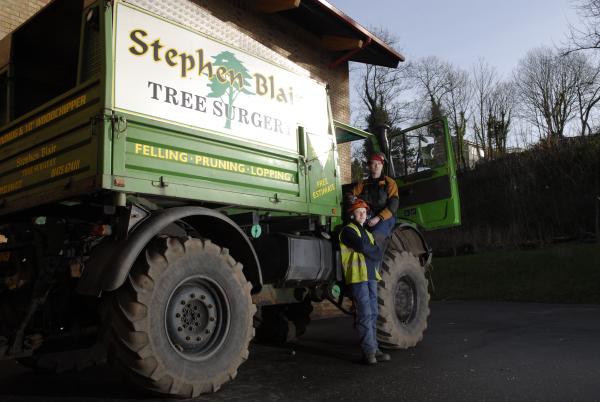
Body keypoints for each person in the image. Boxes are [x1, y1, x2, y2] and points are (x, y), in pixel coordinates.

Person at [339, 198, 391, 365]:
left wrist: (371, 250)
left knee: (374, 312)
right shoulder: (348, 231)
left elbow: (378, 253)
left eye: (364, 212)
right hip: (358, 277)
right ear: (352, 215)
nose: (362, 215)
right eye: (358, 212)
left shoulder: (367, 233)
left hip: (370, 276)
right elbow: (362, 247)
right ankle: (368, 351)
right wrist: (372, 250)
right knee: (365, 313)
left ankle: (375, 349)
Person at [351, 152, 399, 248]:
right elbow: (351, 195)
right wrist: (353, 199)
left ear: (382, 165)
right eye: (373, 163)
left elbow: (393, 205)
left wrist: (378, 218)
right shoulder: (363, 184)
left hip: (386, 217)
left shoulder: (390, 183)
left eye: (379, 163)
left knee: (376, 236)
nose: (376, 166)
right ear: (369, 166)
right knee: (354, 234)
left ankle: (377, 256)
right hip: (368, 215)